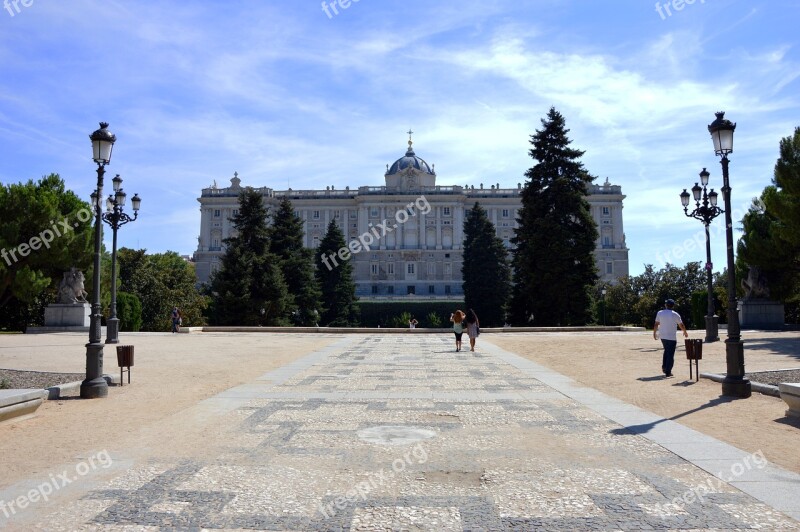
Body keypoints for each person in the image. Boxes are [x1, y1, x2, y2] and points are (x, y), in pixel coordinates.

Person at [653, 298, 688, 377]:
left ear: (666, 305)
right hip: (671, 337)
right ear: (673, 306)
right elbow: (681, 324)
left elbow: (656, 324)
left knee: (666, 351)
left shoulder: (660, 313)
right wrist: (685, 332)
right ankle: (668, 371)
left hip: (663, 336)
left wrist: (654, 333)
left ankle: (664, 367)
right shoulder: (675, 314)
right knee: (670, 354)